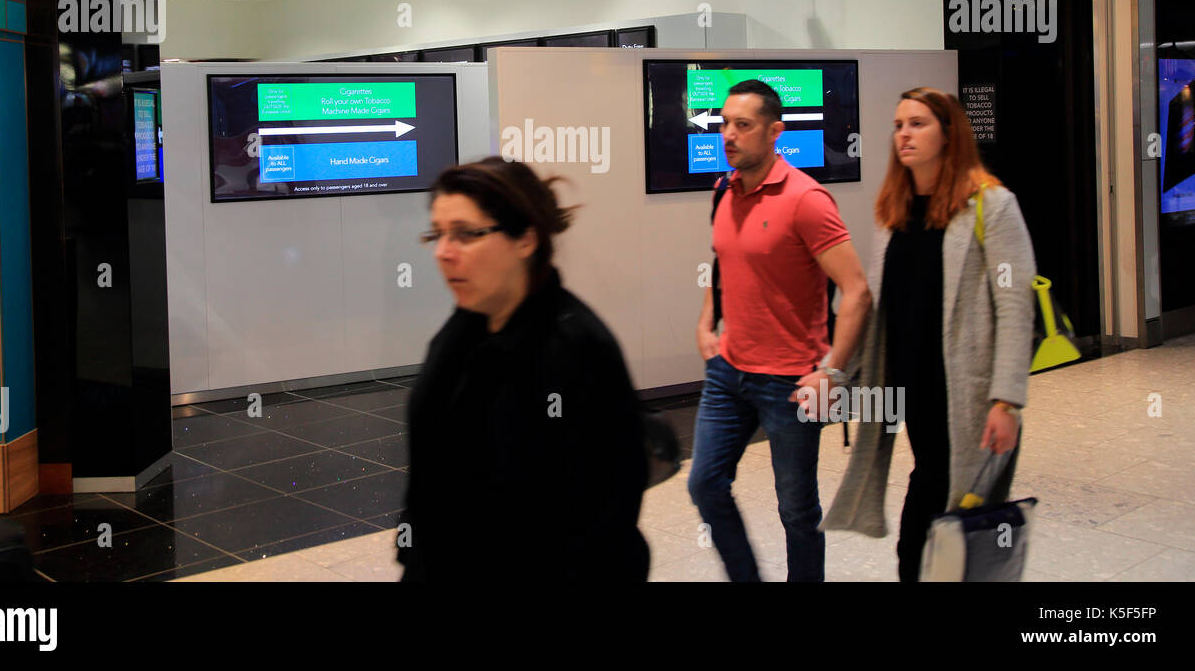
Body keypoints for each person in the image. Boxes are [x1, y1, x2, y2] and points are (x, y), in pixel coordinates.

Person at [397, 156, 650, 582]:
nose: (443, 253)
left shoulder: (575, 350)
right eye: (437, 235)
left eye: (466, 235)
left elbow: (603, 515)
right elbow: (430, 483)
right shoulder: (461, 334)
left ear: (526, 240)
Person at [822, 87, 1036, 581]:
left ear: (949, 133)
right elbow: (880, 306)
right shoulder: (892, 213)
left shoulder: (992, 206)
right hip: (911, 390)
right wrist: (841, 373)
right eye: (898, 125)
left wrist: (1006, 402)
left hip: (968, 396)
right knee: (935, 503)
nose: (904, 134)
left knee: (941, 518)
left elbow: (1014, 307)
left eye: (917, 123)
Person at [690, 80, 871, 582]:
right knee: (704, 485)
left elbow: (856, 290)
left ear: (775, 132)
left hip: (791, 382)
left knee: (796, 511)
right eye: (724, 123)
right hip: (729, 372)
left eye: (742, 126)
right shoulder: (723, 189)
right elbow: (723, 260)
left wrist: (832, 371)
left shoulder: (806, 200)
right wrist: (707, 321)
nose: (728, 134)